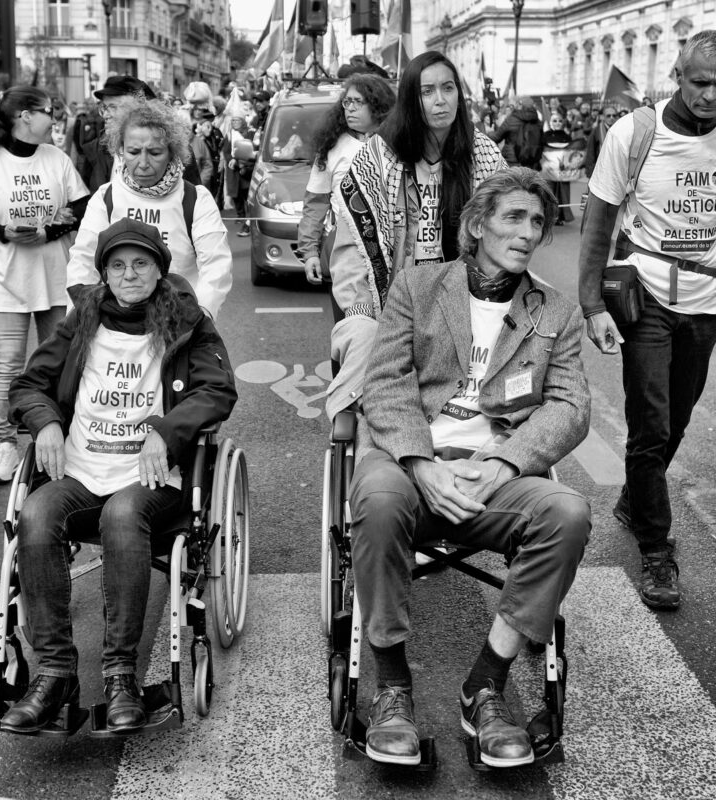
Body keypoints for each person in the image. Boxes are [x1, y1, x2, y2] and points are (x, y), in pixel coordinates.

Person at [350, 168, 590, 768]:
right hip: (412, 466)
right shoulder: (419, 285)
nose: (529, 231)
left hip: (493, 475)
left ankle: (485, 683)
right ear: (477, 225)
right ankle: (392, 688)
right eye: (514, 217)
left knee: (568, 512)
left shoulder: (555, 311)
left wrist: (505, 464)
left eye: (538, 221)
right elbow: (384, 383)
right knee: (377, 501)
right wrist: (421, 463)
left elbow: (570, 406)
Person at [1, 217, 237, 734]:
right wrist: (44, 424)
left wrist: (165, 430)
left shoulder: (187, 321)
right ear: (104, 273)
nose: (130, 274)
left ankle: (120, 675)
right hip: (82, 468)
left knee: (122, 514)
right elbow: (27, 386)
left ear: (159, 270)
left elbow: (217, 390)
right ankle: (55, 673)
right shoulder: (81, 320)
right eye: (118, 265)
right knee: (37, 512)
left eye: (141, 264)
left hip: (151, 477)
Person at [578, 30, 716, 611]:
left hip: (706, 297)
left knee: (680, 415)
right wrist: (591, 306)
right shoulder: (635, 132)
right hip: (650, 295)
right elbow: (597, 223)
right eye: (700, 82)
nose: (710, 94)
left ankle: (638, 496)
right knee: (651, 422)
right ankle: (657, 550)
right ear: (677, 79)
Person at [326, 51, 505, 419]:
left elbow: (504, 234)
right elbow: (352, 254)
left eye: (448, 88)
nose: (440, 100)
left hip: (465, 301)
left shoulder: (483, 153)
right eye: (427, 91)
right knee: (364, 345)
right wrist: (363, 312)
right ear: (411, 99)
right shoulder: (376, 158)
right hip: (389, 306)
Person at [0, 85, 89, 484]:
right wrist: (4, 232)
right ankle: (6, 446)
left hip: (53, 275)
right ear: (25, 117)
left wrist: (53, 228)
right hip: (6, 277)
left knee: (61, 362)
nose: (55, 118)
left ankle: (62, 438)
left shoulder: (57, 158)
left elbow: (82, 208)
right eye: (49, 111)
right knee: (10, 365)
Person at [66, 98, 232, 321]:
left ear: (172, 152)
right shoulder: (106, 197)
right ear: (120, 150)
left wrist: (199, 318)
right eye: (134, 152)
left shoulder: (195, 199)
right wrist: (79, 318)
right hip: (117, 325)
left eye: (154, 153)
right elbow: (83, 261)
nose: (143, 163)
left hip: (179, 321)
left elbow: (215, 266)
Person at [298, 73, 396, 291]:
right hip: (345, 253)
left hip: (391, 256)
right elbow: (315, 204)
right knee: (350, 322)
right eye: (347, 101)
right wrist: (310, 253)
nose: (350, 108)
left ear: (378, 106)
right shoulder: (331, 147)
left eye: (358, 102)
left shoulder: (398, 146)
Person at [490, 95, 543, 169]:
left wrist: (486, 134)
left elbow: (496, 137)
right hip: (531, 161)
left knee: (512, 180)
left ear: (520, 105)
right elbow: (541, 141)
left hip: (512, 160)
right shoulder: (538, 122)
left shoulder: (512, 119)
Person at [541, 112, 575, 224]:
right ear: (550, 123)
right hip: (548, 169)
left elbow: (571, 154)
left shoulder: (567, 137)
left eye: (560, 121)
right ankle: (549, 216)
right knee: (549, 192)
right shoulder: (545, 136)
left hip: (562, 169)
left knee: (562, 194)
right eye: (554, 121)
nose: (557, 123)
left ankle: (560, 216)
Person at [583, 103, 617, 178]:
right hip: (600, 170)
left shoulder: (620, 130)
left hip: (616, 170)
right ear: (603, 117)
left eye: (614, 115)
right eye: (608, 116)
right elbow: (590, 152)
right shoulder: (596, 131)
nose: (611, 118)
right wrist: (590, 172)